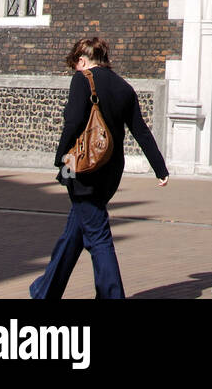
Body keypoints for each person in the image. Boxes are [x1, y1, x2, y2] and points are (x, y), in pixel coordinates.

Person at [30, 37, 169, 299]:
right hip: (111, 172)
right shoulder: (125, 88)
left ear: (82, 60)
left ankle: (111, 295)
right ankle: (44, 291)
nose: (76, 69)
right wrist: (160, 168)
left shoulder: (82, 80)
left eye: (75, 64)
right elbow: (141, 131)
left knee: (97, 235)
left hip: (81, 168)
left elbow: (72, 124)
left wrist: (60, 159)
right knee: (75, 230)